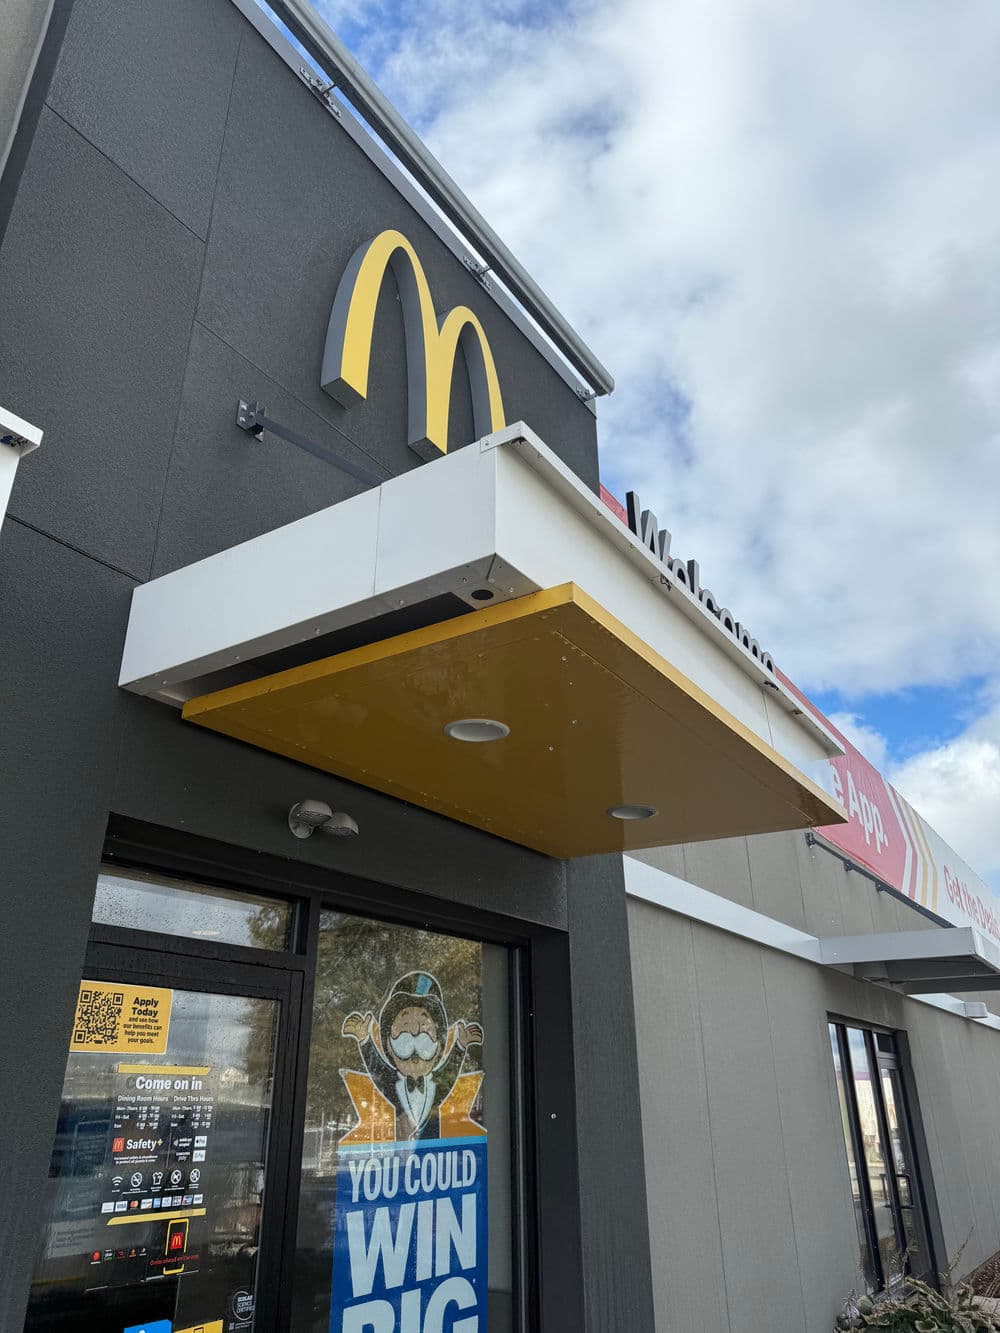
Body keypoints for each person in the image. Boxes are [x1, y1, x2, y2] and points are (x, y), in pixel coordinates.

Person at [341, 971, 483, 1141]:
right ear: (388, 1045)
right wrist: (365, 1040)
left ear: (438, 1047)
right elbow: (376, 1066)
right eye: (405, 1024)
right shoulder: (391, 1080)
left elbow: (450, 1070)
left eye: (423, 1025)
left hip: (432, 1154)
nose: (415, 1032)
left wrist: (460, 1046)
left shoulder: (437, 1082)